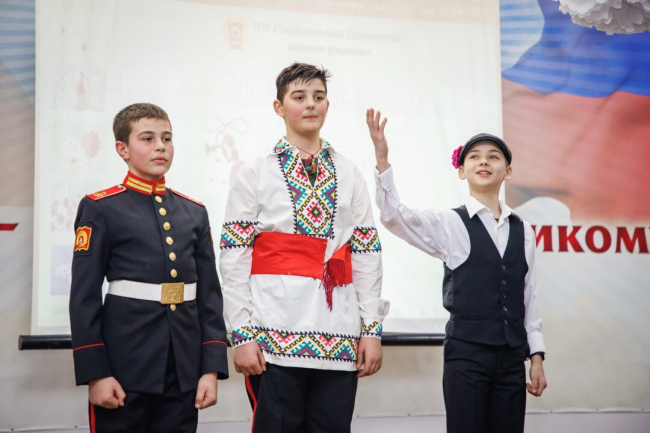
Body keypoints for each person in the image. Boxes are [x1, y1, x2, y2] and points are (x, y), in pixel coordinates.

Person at [220, 63, 389, 433]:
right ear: (279, 107)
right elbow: (234, 257)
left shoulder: (349, 172)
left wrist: (372, 330)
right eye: (299, 97)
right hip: (273, 335)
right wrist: (241, 334)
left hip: (340, 336)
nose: (311, 104)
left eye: (318, 96)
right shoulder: (256, 171)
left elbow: (366, 255)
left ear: (328, 105)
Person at [367, 109, 547, 433]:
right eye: (474, 156)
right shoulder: (450, 223)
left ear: (507, 171)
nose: (484, 161)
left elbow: (528, 296)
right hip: (466, 357)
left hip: (511, 360)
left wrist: (536, 356)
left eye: (493, 156)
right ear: (462, 170)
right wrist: (382, 160)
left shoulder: (525, 230)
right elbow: (395, 217)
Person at [69, 103, 229, 432]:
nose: (160, 146)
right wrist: (96, 374)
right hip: (124, 368)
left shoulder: (194, 212)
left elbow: (210, 298)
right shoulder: (101, 208)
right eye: (147, 138)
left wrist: (210, 368)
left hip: (183, 368)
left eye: (167, 138)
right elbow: (84, 298)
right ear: (122, 149)